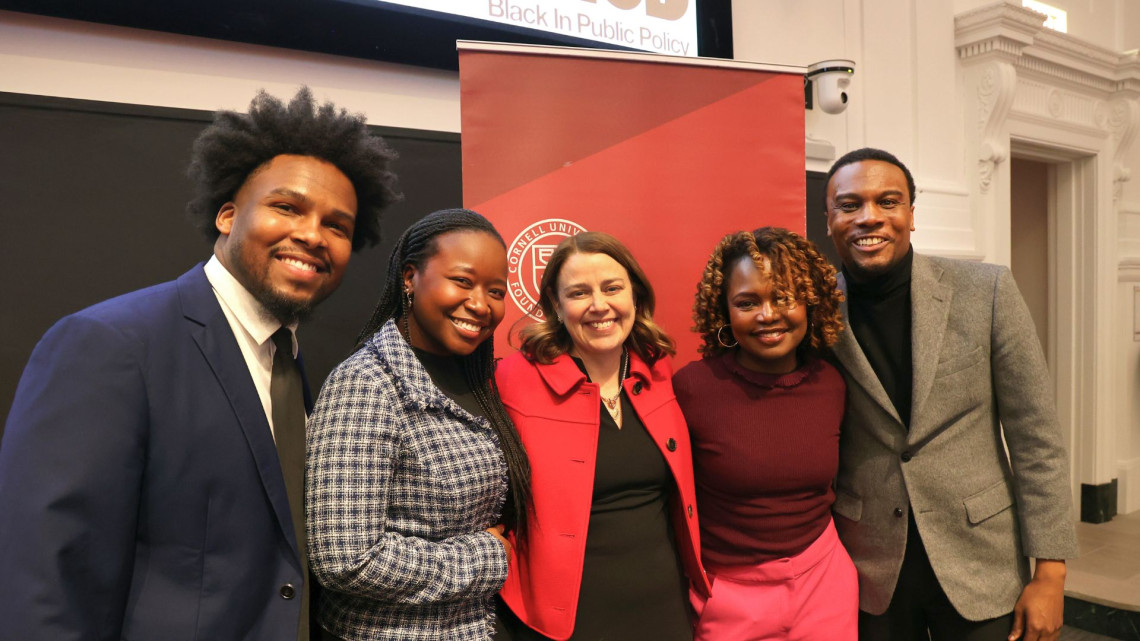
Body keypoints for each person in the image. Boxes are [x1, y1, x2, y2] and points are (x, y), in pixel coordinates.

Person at [0, 87, 400, 640]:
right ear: (228, 215)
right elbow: (46, 576)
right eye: (287, 207)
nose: (312, 235)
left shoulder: (290, 363)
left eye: (338, 226)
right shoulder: (110, 343)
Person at [823, 147, 1078, 641]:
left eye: (888, 201)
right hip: (869, 566)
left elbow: (1036, 438)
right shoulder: (814, 312)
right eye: (849, 205)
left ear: (911, 214)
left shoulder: (986, 291)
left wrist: (1051, 571)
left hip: (981, 560)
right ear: (829, 219)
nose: (869, 217)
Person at [305, 208, 530, 641]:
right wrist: (486, 558)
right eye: (462, 281)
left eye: (495, 291)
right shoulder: (366, 383)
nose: (480, 304)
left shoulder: (480, 378)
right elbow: (345, 559)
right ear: (410, 277)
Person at [493, 231, 710, 641]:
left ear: (635, 296)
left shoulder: (657, 369)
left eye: (612, 288)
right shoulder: (513, 379)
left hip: (664, 610)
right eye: (579, 293)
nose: (599, 305)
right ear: (556, 304)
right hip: (565, 622)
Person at [674, 226, 857, 640]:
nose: (768, 314)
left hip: (824, 585)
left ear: (809, 302)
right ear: (724, 311)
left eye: (784, 297)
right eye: (747, 302)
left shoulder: (831, 382)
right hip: (729, 596)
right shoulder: (692, 388)